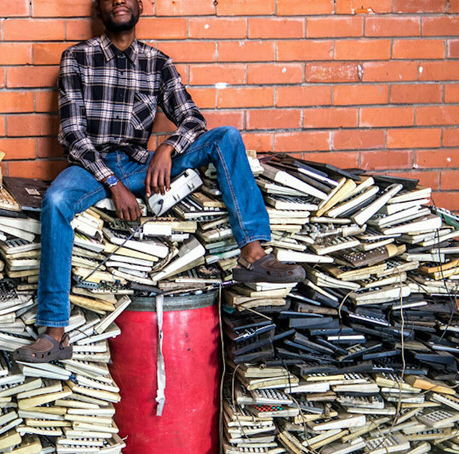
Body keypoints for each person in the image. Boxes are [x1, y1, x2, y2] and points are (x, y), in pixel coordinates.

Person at [16, 0, 305, 363]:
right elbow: (73, 134)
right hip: (91, 167)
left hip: (141, 164)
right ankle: (54, 333)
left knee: (226, 137)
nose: (119, 0)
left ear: (139, 6)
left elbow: (192, 119)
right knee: (56, 201)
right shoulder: (77, 58)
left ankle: (252, 254)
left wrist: (167, 147)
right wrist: (113, 184)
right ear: (99, 9)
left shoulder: (157, 62)